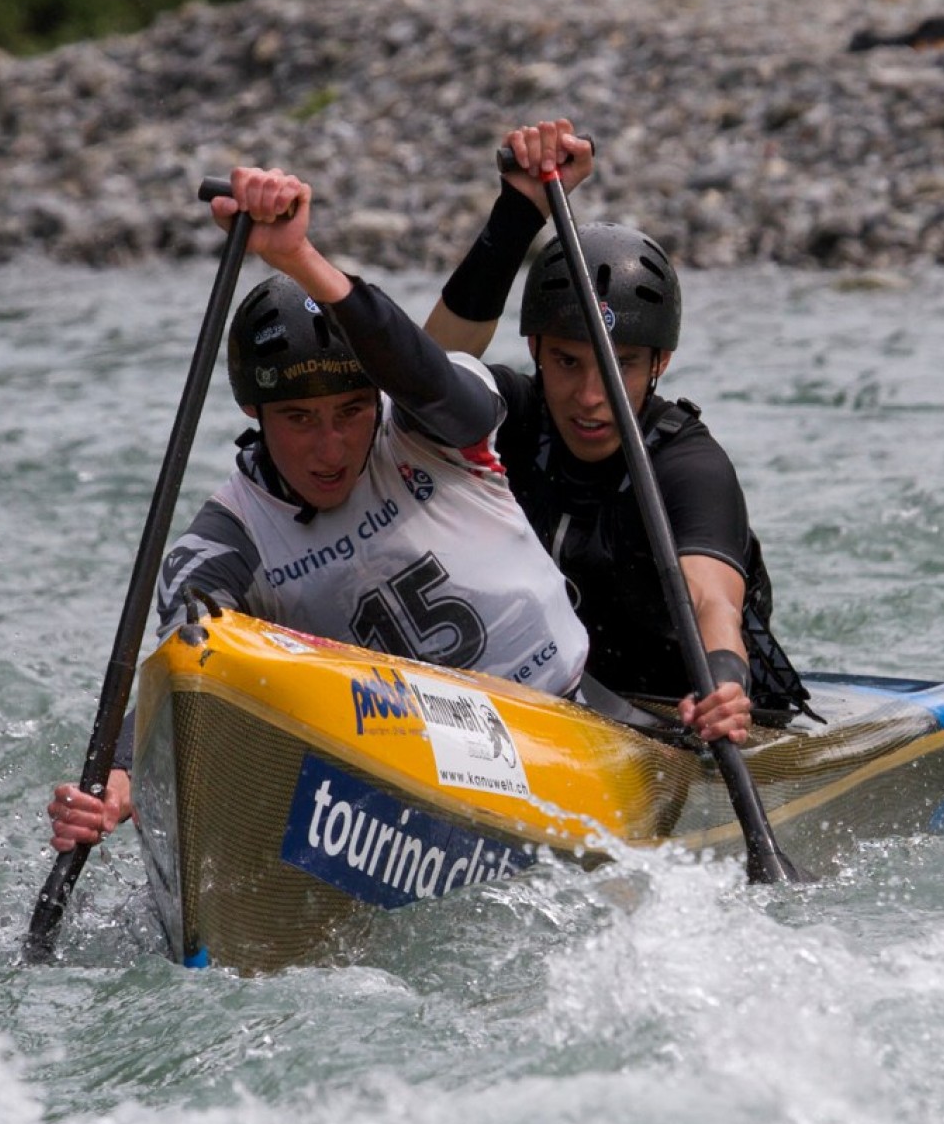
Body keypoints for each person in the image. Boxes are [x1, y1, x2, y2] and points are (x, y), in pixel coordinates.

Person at [49, 166, 592, 853]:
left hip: (562, 729)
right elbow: (182, 668)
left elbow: (423, 372)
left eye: (351, 411)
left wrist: (298, 258)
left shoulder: (433, 428)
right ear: (253, 410)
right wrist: (117, 784)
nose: (331, 448)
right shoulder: (227, 541)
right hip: (400, 783)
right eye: (300, 418)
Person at [424, 120, 813, 744]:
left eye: (620, 365)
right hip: (550, 704)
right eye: (567, 362)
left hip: (684, 717)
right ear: (535, 348)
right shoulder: (512, 417)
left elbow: (713, 602)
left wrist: (724, 685)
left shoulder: (689, 465)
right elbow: (419, 379)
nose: (589, 397)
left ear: (660, 362)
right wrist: (517, 214)